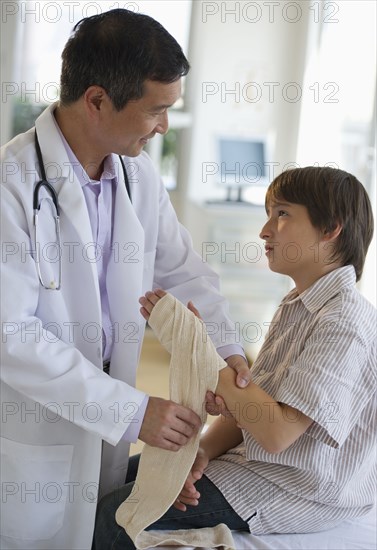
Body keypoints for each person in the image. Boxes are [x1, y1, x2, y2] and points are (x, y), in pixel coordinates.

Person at [0, 9, 250, 550]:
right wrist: (131, 411)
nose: (164, 126)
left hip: (106, 439)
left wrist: (226, 350)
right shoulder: (11, 186)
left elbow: (183, 270)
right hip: (33, 434)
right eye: (156, 110)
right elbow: (10, 335)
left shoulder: (136, 178)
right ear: (96, 100)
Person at [93, 166, 376, 549]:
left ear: (330, 229)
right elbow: (252, 415)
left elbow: (276, 433)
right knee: (107, 483)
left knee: (113, 516)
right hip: (255, 464)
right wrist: (201, 453)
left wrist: (200, 351)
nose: (265, 230)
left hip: (298, 489)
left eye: (282, 214)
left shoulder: (344, 321)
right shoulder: (298, 305)